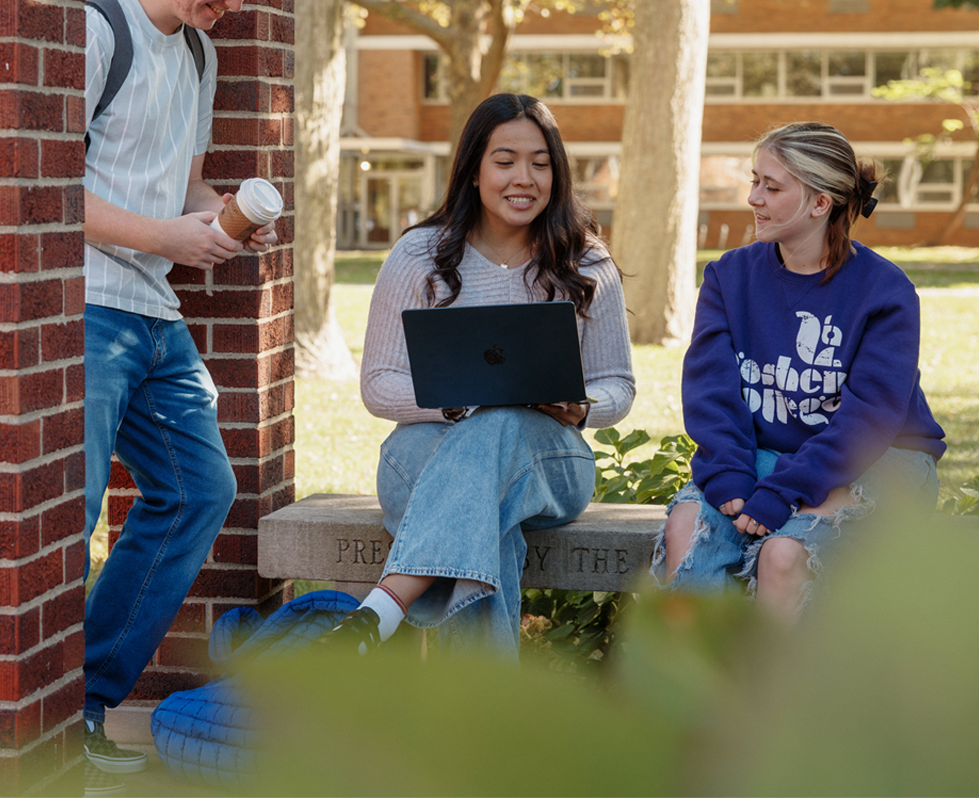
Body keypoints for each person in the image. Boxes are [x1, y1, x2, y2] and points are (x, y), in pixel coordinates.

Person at [81, 0, 282, 782]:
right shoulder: (98, 30)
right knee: (70, 510)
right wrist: (165, 234)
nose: (230, 5)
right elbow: (47, 189)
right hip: (88, 306)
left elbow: (182, 184)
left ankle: (83, 698)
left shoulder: (201, 57)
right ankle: (35, 712)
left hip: (156, 313)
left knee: (199, 490)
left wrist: (228, 212)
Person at [330, 92, 635, 655]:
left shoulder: (586, 262)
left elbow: (619, 383)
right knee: (488, 498)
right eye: (505, 160)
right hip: (423, 457)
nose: (525, 177)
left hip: (547, 463)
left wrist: (582, 405)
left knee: (503, 428)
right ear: (472, 170)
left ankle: (384, 608)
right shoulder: (419, 255)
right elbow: (379, 383)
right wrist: (463, 403)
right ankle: (483, 729)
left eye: (541, 163)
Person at [652, 121, 946, 619]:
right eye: (754, 181)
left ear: (819, 203)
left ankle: (778, 695)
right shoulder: (730, 276)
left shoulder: (884, 292)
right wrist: (727, 473)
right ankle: (696, 689)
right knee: (687, 526)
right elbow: (711, 390)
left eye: (771, 186)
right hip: (771, 456)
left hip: (882, 459)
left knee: (783, 554)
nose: (753, 198)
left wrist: (783, 492)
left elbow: (869, 419)